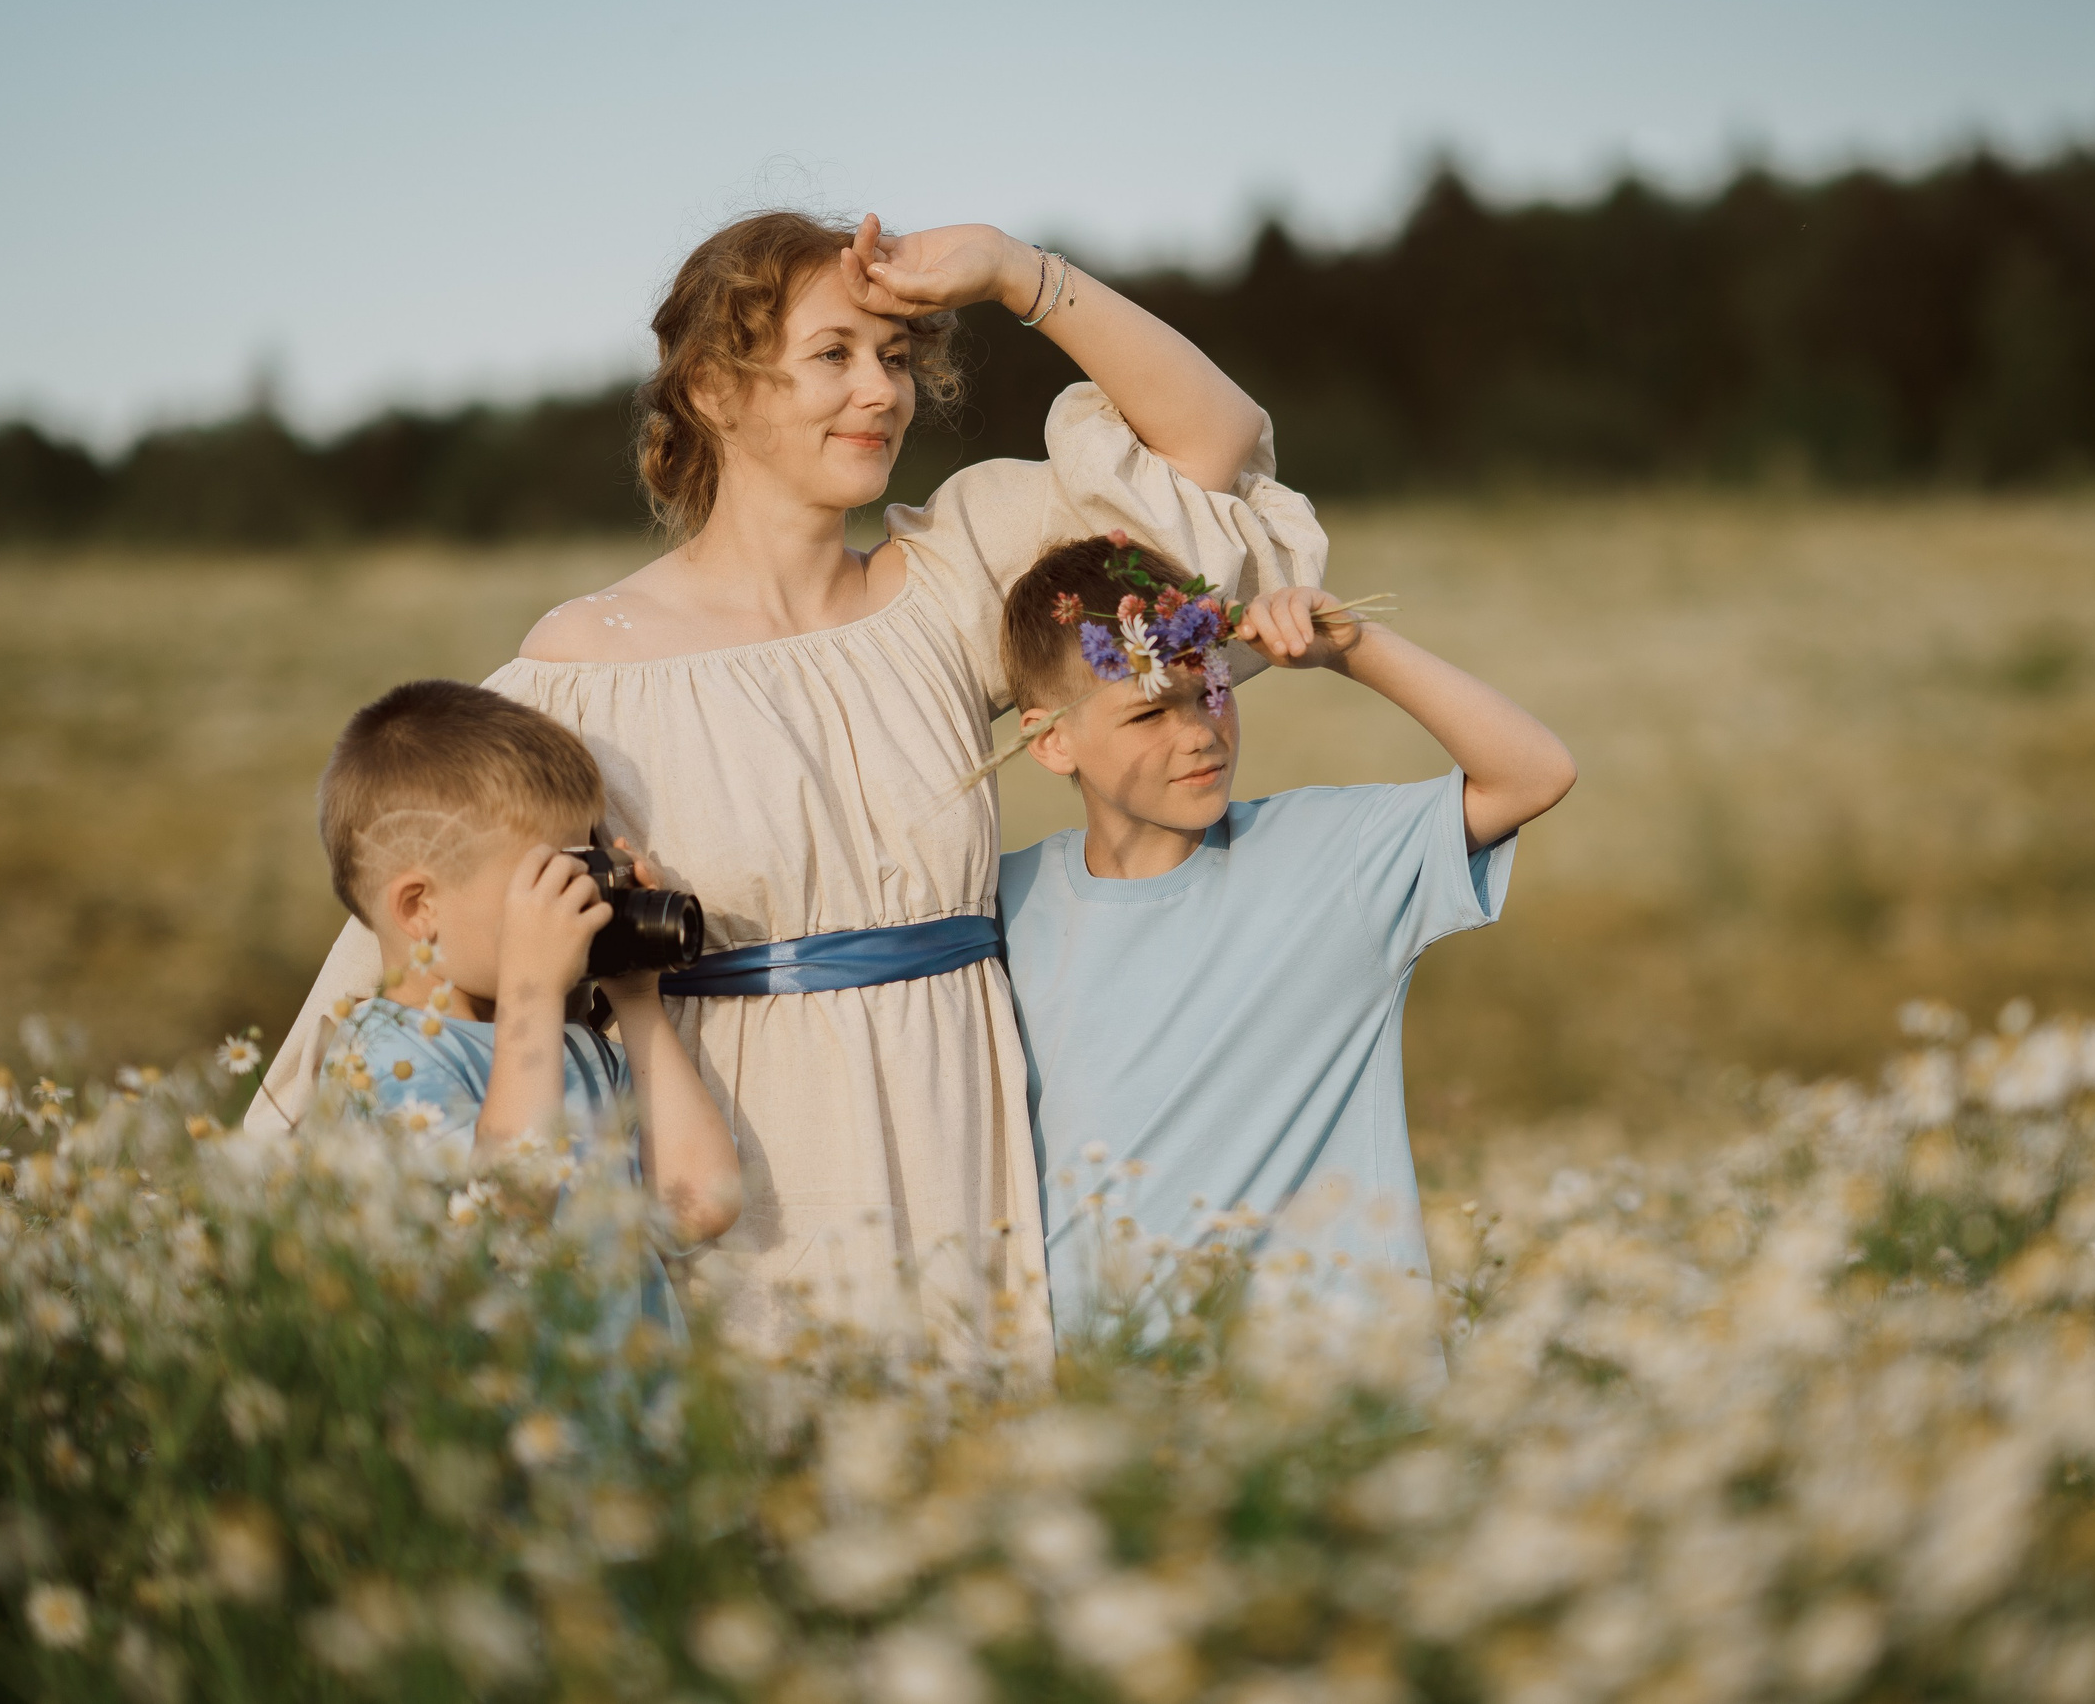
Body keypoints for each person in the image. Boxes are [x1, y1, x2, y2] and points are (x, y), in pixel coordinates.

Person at [253, 213, 1326, 1363]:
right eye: (833, 355)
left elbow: (1210, 453)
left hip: (962, 1147)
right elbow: (407, 944)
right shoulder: (587, 669)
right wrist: (248, 1204)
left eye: (896, 356)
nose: (880, 393)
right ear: (715, 387)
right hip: (739, 1197)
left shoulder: (955, 582)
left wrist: (1018, 273)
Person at [992, 537, 1576, 1337]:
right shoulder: (1000, 908)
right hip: (1110, 1409)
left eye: (1212, 689)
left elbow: (1535, 772)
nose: (1198, 732)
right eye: (1150, 710)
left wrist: (1352, 648)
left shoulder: (1332, 860)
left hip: (1333, 1405)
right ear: (1049, 739)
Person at [311, 679, 742, 1345]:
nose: (577, 904)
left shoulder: (575, 1050)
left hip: (626, 1428)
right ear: (419, 909)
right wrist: (533, 993)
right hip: (492, 1435)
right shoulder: (384, 1060)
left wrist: (635, 998)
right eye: (545, 883)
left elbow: (702, 1203)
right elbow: (507, 1206)